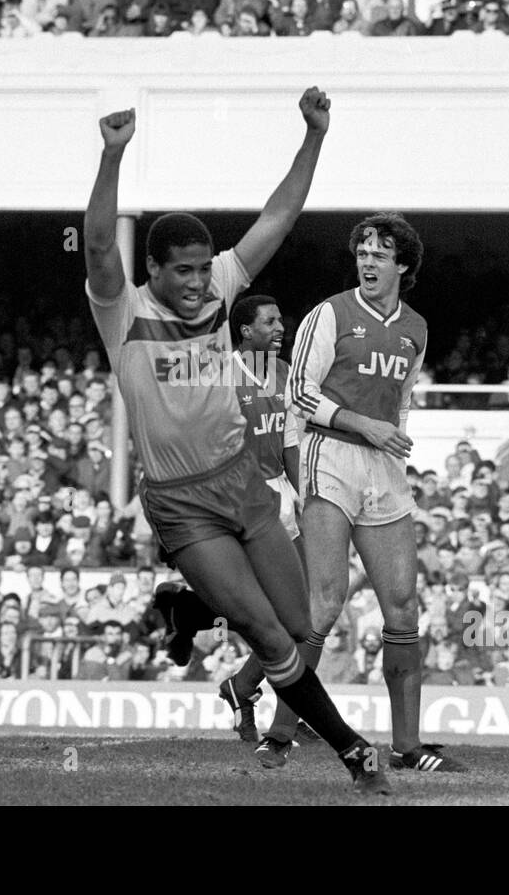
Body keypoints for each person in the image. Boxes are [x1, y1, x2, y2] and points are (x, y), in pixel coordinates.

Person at [82, 90, 388, 794]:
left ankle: (188, 606)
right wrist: (112, 154)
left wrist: (314, 135)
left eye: (200, 268)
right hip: (182, 505)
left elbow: (279, 217)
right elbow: (101, 243)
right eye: (180, 271)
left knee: (304, 617)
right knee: (270, 636)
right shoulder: (121, 309)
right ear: (152, 271)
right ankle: (352, 752)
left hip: (242, 484)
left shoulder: (222, 285)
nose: (195, 283)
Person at [283, 212, 462, 774]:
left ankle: (408, 748)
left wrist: (391, 434)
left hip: (383, 465)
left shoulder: (417, 328)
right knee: (326, 599)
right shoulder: (329, 313)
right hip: (330, 453)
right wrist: (365, 425)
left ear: (401, 265)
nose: (366, 260)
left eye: (379, 253)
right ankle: (282, 733)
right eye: (362, 252)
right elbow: (299, 393)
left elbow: (402, 399)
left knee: (403, 605)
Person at [215, 294, 302, 742]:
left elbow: (290, 439)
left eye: (280, 319)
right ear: (245, 331)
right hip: (245, 501)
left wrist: (305, 493)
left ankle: (245, 687)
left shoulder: (287, 373)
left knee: (304, 614)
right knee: (290, 615)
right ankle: (260, 693)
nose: (280, 327)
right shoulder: (221, 374)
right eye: (270, 321)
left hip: (283, 496)